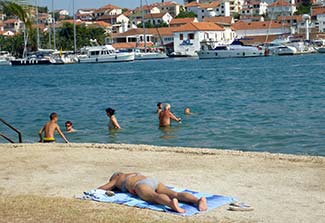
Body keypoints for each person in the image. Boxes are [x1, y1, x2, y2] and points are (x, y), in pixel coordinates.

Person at [98, 172, 208, 213]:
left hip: (140, 185)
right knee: (175, 193)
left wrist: (111, 185)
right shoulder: (132, 173)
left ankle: (171, 204)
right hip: (153, 180)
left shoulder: (117, 178)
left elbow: (101, 189)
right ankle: (197, 200)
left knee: (154, 196)